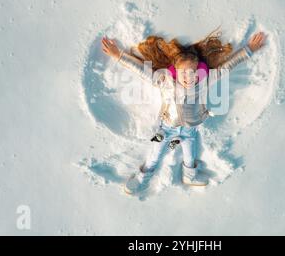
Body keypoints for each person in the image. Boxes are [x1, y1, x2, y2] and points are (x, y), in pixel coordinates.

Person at [101, 29, 267, 195]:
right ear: (175, 72)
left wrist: (249, 49)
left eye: (193, 72)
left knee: (190, 156)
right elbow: (141, 70)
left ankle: (190, 177)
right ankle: (142, 178)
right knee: (155, 153)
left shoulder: (205, 81)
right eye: (184, 73)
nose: (189, 77)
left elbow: (228, 66)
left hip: (190, 131)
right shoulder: (165, 81)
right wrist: (118, 55)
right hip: (166, 128)